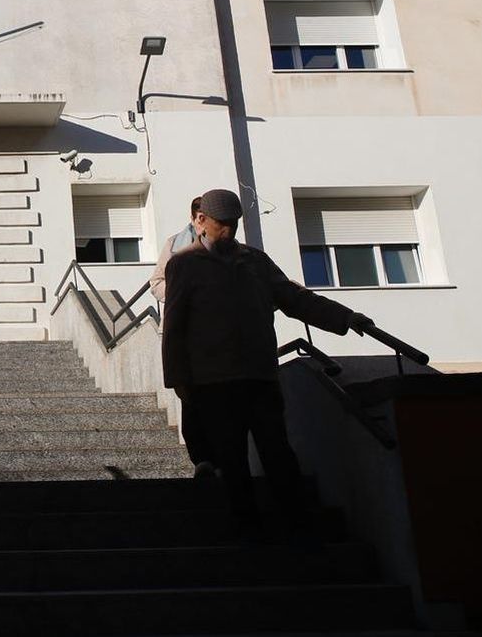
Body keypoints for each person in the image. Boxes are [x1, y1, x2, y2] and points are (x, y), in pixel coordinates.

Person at [161, 188, 373, 536]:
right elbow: (174, 327)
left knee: (278, 452)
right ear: (201, 220)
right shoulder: (183, 264)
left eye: (233, 223)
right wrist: (179, 381)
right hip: (214, 382)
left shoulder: (256, 262)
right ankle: (249, 531)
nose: (228, 230)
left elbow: (296, 298)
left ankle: (298, 528)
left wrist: (346, 317)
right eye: (221, 223)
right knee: (231, 459)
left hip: (259, 376)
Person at [148, 196, 216, 477]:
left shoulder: (228, 249)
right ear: (195, 218)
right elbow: (156, 283)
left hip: (217, 334)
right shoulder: (175, 246)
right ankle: (202, 460)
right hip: (185, 331)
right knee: (190, 398)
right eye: (202, 218)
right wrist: (181, 294)